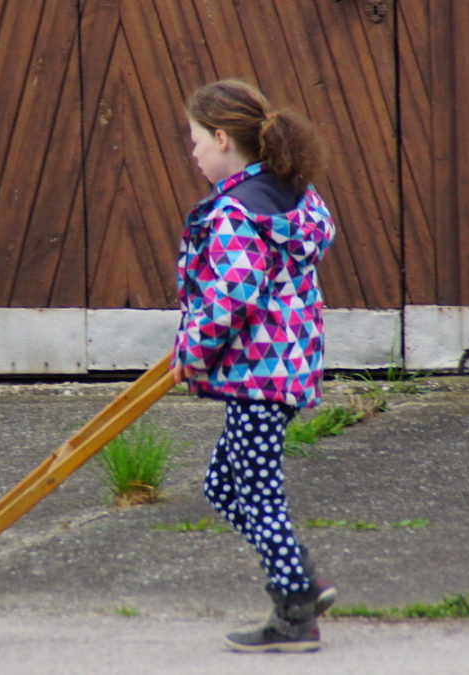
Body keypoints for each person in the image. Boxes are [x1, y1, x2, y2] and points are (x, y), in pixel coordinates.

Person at [171, 79, 337, 653]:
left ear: (222, 139)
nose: (192, 153)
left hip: (260, 375)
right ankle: (302, 577)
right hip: (284, 369)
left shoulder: (236, 212)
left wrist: (192, 353)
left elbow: (232, 295)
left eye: (195, 141)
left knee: (258, 491)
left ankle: (295, 613)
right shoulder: (293, 194)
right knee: (223, 486)